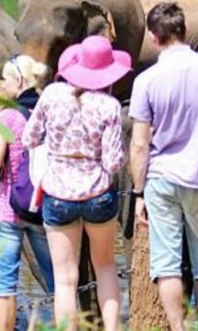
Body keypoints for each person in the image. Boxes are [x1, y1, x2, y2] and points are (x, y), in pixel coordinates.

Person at [129, 2, 198, 330]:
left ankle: (177, 327)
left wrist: (138, 192)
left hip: (162, 179)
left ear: (154, 37)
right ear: (183, 31)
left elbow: (140, 144)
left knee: (167, 264)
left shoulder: (146, 80)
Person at [22, 35, 129, 331]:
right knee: (105, 267)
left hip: (58, 195)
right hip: (98, 194)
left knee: (65, 278)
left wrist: (58, 148)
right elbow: (114, 162)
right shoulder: (109, 106)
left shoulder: (52, 95)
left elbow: (29, 138)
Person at [0, 55, 54, 331]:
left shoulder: (6, 116)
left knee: (5, 284)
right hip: (42, 205)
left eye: (6, 79)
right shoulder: (49, 112)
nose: (2, 86)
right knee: (58, 280)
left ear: (21, 81)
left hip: (7, 208)